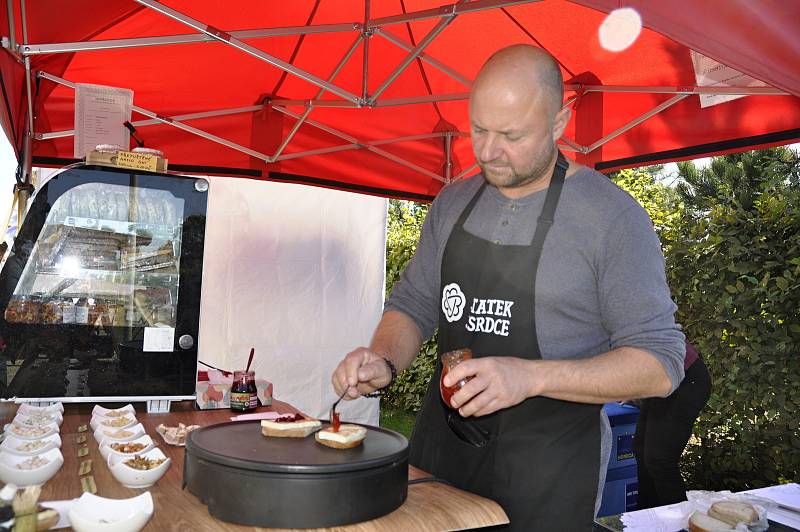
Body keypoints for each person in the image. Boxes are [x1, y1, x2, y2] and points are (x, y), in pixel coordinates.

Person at [331, 44, 685, 531]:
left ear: (560, 122)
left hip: (549, 469)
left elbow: (659, 364)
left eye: (512, 135)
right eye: (479, 129)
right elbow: (412, 305)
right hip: (442, 454)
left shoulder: (612, 219)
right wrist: (384, 359)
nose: (488, 151)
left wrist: (531, 377)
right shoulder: (453, 203)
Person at [634, 340, 712, 509]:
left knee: (660, 459)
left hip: (686, 380)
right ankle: (648, 518)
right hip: (661, 383)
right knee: (640, 450)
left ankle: (679, 521)